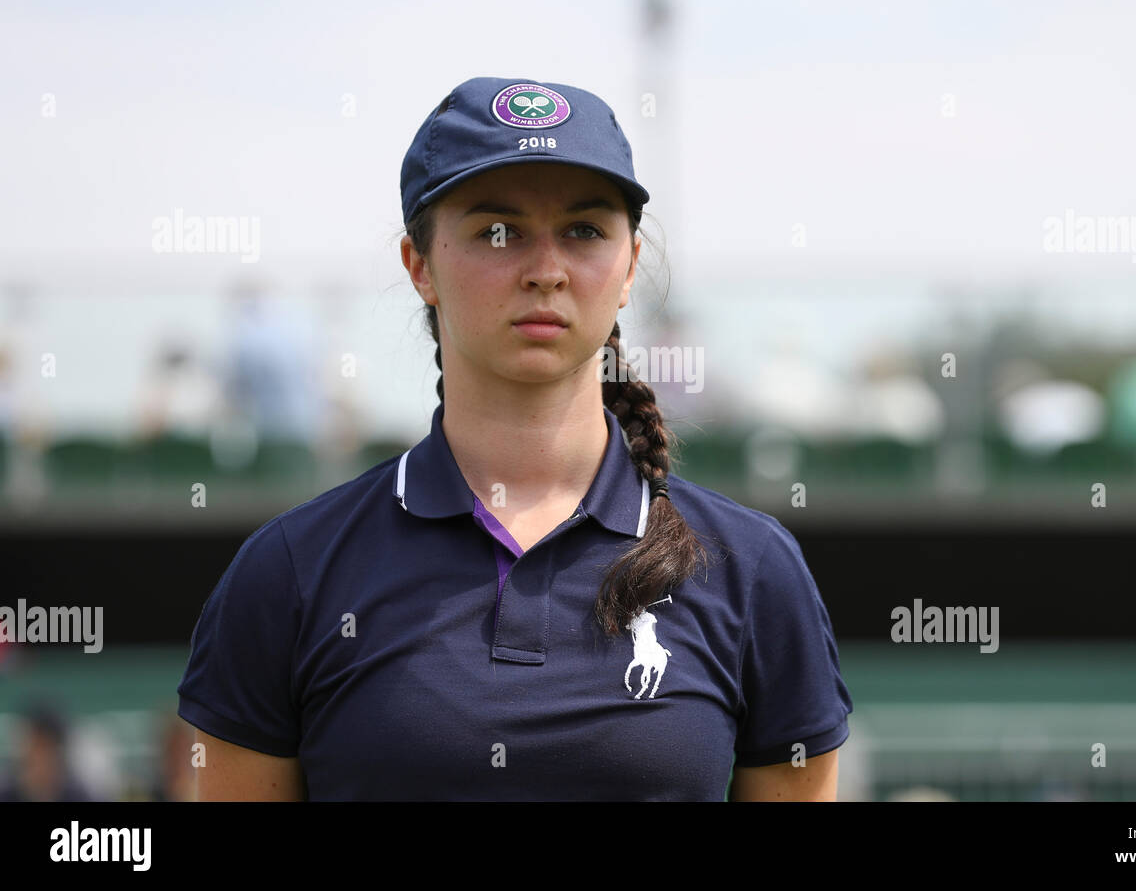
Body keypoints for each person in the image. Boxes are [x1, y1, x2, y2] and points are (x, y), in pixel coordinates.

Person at [176, 77, 853, 801]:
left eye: (586, 231)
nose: (546, 270)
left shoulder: (753, 570)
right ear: (419, 266)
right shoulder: (290, 572)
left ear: (628, 268)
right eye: (497, 231)